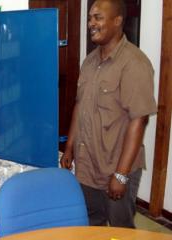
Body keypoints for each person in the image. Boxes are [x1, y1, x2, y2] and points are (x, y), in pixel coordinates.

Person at [60, 0, 157, 228]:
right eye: (91, 17)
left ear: (117, 21)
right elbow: (79, 106)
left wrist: (121, 175)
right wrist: (70, 147)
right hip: (87, 168)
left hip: (114, 168)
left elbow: (139, 120)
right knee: (91, 224)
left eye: (98, 18)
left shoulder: (134, 64)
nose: (91, 23)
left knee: (120, 230)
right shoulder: (90, 62)